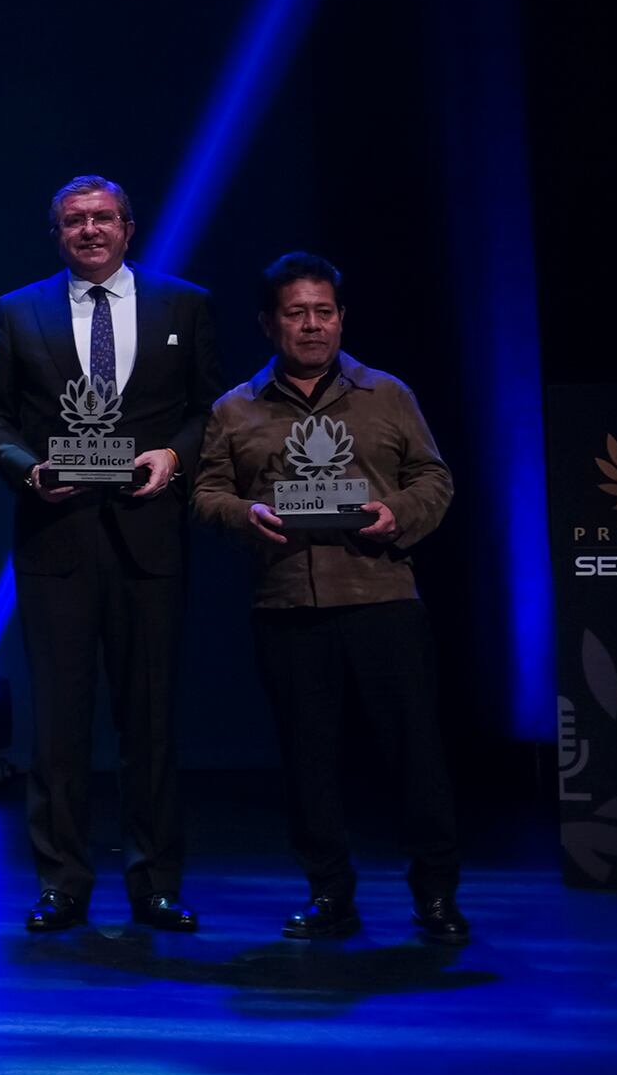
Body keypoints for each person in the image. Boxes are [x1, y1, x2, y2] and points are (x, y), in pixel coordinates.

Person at [0, 174, 220, 934]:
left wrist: (174, 459)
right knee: (61, 727)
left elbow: (211, 409)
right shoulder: (21, 311)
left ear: (129, 228)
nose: (89, 231)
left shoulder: (184, 304)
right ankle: (63, 883)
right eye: (73, 221)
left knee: (149, 724)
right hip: (57, 540)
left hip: (149, 542)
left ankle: (155, 883)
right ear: (57, 235)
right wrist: (26, 468)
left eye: (102, 218)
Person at [193, 252, 468, 944]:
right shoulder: (235, 408)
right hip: (287, 606)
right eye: (296, 313)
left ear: (341, 318)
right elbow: (206, 493)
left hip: (381, 596)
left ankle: (436, 894)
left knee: (415, 755)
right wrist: (242, 516)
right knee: (308, 760)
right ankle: (328, 894)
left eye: (324, 312)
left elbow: (434, 477)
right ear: (268, 323)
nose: (312, 326)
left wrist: (397, 513)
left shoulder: (388, 394)